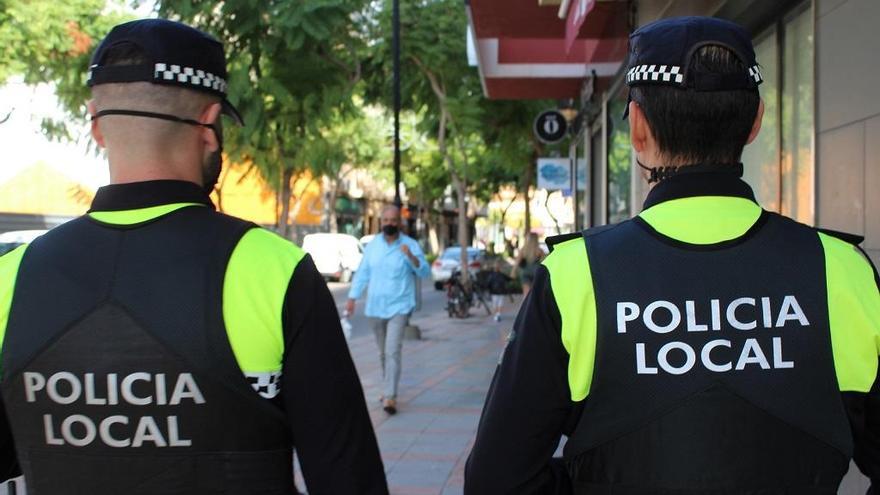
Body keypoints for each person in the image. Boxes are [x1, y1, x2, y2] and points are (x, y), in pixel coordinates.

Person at [465, 16, 880, 494]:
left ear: (638, 129)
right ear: (755, 122)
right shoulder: (841, 270)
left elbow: (497, 480)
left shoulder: (576, 276)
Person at [0, 19, 387, 494]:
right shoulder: (275, 270)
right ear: (208, 125)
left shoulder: (10, 278)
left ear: (96, 124)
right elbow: (348, 478)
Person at [346, 205, 429, 415]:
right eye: (386, 220)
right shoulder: (373, 246)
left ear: (399, 222)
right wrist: (352, 297)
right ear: (381, 222)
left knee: (392, 351)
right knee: (383, 353)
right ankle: (387, 389)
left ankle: (390, 396)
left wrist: (411, 256)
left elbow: (425, 271)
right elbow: (363, 272)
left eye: (393, 220)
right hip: (375, 307)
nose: (389, 224)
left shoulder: (410, 245)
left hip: (399, 307)